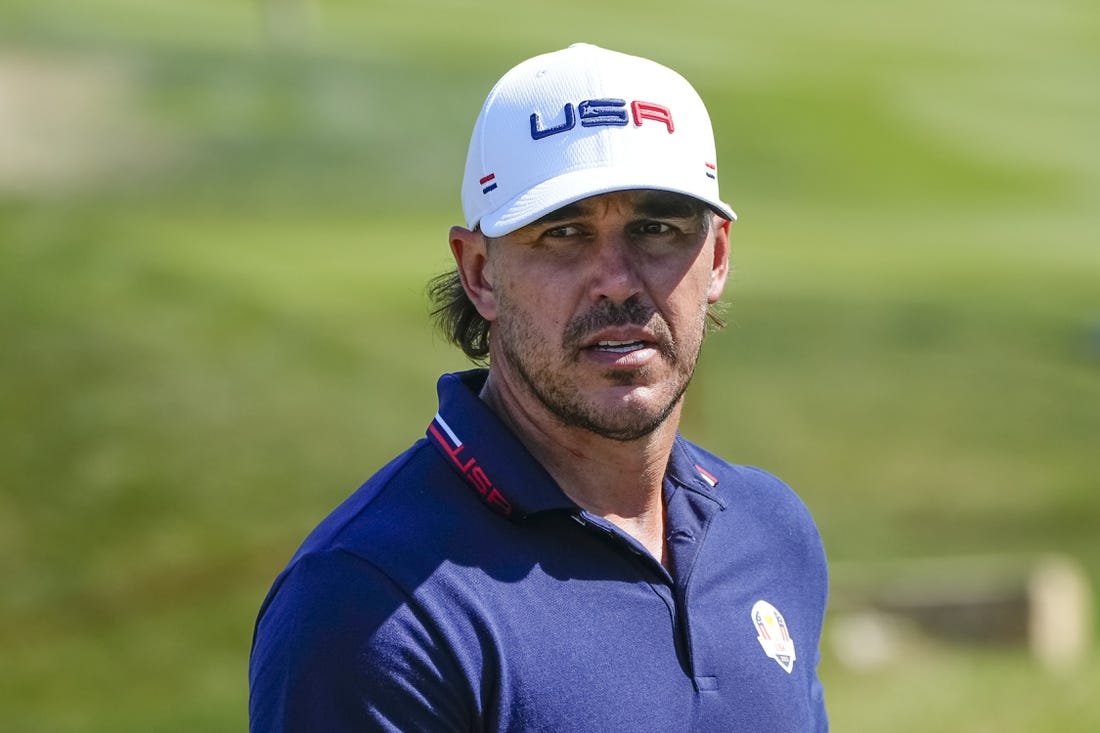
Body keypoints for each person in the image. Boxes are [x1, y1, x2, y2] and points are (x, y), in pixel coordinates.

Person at [249, 42, 829, 732]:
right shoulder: (373, 604)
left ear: (719, 256)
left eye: (657, 228)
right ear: (481, 273)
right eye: (564, 233)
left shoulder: (769, 529)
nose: (616, 278)